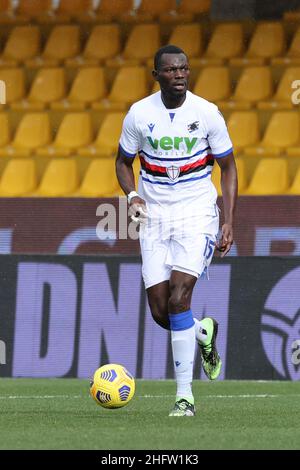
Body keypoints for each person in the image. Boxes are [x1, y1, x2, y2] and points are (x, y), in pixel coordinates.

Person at [116, 45, 238, 416]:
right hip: (154, 218)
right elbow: (122, 162)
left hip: (197, 213)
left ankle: (184, 398)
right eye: (170, 70)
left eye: (184, 68)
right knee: (160, 311)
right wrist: (133, 195)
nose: (180, 75)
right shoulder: (139, 113)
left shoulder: (206, 113)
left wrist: (228, 218)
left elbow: (229, 168)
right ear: (156, 76)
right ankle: (203, 332)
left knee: (179, 298)